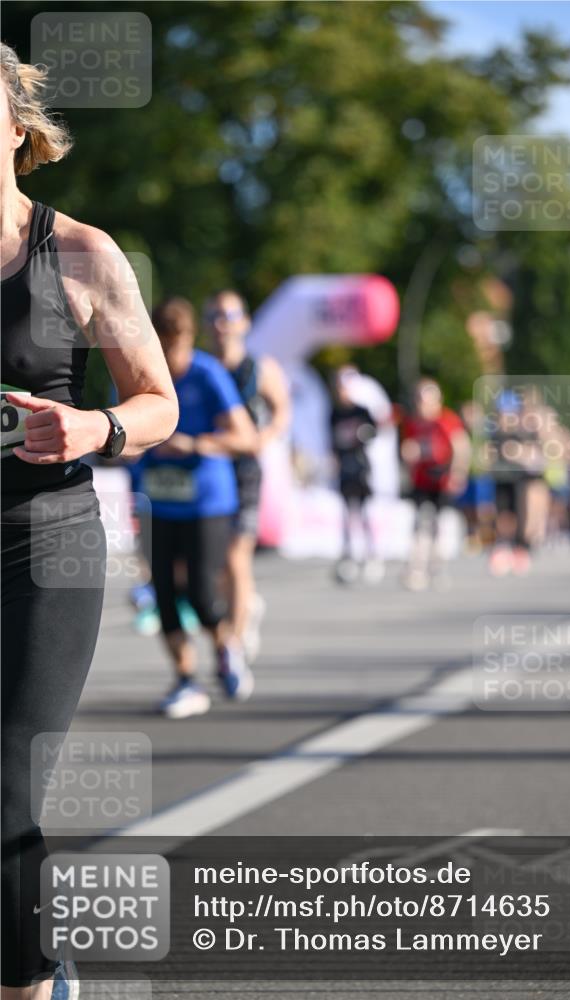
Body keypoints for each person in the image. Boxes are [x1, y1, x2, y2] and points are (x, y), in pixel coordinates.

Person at [0, 43, 178, 1000]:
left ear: (17, 125)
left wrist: (96, 427)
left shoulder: (77, 252)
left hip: (43, 547)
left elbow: (159, 402)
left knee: (4, 790)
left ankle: (32, 982)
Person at [145, 297, 258, 719]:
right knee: (162, 597)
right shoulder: (139, 373)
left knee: (202, 594)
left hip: (206, 503)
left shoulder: (208, 374)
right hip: (158, 502)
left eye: (177, 347)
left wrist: (194, 444)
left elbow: (245, 437)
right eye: (163, 347)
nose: (172, 358)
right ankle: (186, 680)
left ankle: (228, 645)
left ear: (190, 339)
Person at [203, 290, 290, 661]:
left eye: (228, 316)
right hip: (209, 471)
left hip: (244, 471)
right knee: (215, 564)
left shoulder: (260, 368)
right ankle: (245, 606)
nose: (221, 325)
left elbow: (282, 410)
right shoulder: (201, 368)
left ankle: (233, 647)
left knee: (237, 556)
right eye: (213, 316)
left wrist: (263, 439)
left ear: (245, 322)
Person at [401, 378, 470, 590]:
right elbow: (408, 450)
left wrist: (457, 473)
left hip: (442, 479)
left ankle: (437, 566)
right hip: (421, 480)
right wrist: (408, 458)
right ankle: (417, 568)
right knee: (420, 524)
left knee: (440, 524)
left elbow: (461, 447)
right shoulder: (413, 423)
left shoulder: (447, 420)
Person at [329, 366, 380, 583]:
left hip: (360, 467)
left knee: (364, 512)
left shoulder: (361, 411)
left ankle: (371, 554)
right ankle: (348, 555)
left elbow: (373, 432)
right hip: (344, 469)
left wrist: (360, 434)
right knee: (346, 514)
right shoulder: (334, 413)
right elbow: (332, 442)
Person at [486, 389, 545, 575]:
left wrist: (519, 453)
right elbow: (489, 455)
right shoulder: (495, 434)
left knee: (521, 514)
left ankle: (521, 548)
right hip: (501, 479)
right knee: (503, 513)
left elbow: (536, 459)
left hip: (520, 480)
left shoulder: (524, 433)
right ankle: (503, 546)